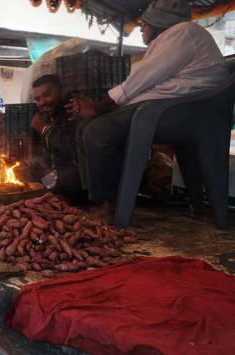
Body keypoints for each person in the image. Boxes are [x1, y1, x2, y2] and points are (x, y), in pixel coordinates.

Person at [68, 0, 227, 218]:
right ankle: (96, 197)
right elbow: (142, 85)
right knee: (84, 127)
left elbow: (139, 81)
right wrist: (97, 110)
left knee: (97, 131)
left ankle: (110, 203)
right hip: (171, 107)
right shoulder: (174, 38)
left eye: (145, 24)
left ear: (159, 23)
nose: (141, 29)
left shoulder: (182, 33)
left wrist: (96, 108)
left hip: (182, 111)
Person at [30, 75, 83, 200]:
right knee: (26, 179)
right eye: (38, 99)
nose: (42, 102)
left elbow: (73, 148)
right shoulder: (48, 116)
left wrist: (44, 129)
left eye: (47, 95)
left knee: (43, 187)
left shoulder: (74, 110)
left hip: (77, 175)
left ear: (61, 91)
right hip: (56, 172)